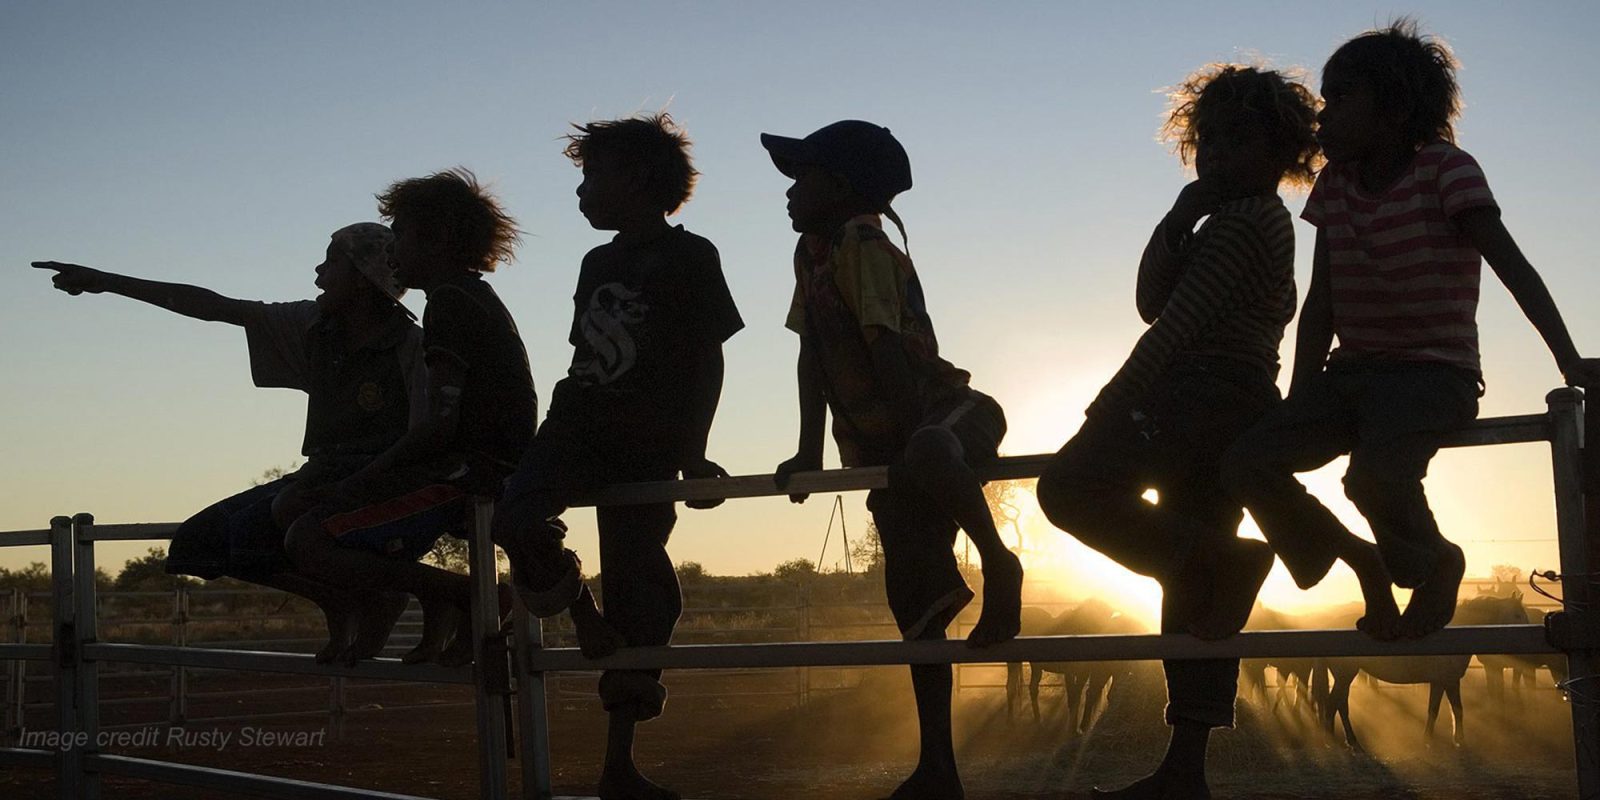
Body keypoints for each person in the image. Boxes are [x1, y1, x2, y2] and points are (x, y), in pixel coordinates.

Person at [1221, 20, 1600, 641]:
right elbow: (1323, 301)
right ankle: (1354, 555)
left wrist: (1568, 357)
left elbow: (1513, 267)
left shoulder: (1447, 171)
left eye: (1340, 98)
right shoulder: (1335, 186)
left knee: (1371, 479)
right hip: (1350, 375)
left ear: (1394, 109)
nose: (1323, 116)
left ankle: (1435, 563)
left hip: (1432, 373)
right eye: (1324, 99)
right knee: (1246, 461)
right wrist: (1301, 392)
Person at [1035, 65, 1319, 800]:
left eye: (1238, 139)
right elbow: (1150, 296)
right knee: (1188, 581)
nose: (1218, 153)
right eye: (1208, 140)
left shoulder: (1252, 221)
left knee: (1068, 488)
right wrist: (1178, 214)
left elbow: (1172, 325)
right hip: (1226, 404)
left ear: (1281, 152)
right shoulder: (1227, 221)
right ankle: (1184, 770)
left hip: (1200, 395)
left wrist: (1108, 401)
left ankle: (1226, 561)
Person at [764, 119, 1019, 800]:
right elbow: (812, 352)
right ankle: (938, 767)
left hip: (946, 413)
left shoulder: (862, 245)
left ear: (841, 187)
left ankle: (1000, 562)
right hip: (892, 449)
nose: (788, 192)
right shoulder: (813, 254)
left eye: (802, 177)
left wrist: (909, 444)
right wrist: (808, 452)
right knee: (917, 607)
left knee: (934, 450)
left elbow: (883, 349)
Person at [491, 113, 742, 800]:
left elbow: (706, 358)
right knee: (514, 519)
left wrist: (693, 452)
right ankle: (582, 614)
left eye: (592, 176)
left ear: (636, 180)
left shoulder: (693, 257)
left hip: (648, 440)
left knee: (641, 583)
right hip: (576, 423)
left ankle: (619, 765)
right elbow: (584, 354)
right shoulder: (596, 262)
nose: (581, 192)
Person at [33, 222, 423, 663]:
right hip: (323, 472)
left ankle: (387, 597)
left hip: (378, 479)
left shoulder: (410, 346)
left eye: (331, 261)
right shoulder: (312, 324)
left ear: (363, 275)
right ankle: (343, 601)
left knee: (291, 513)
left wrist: (361, 482)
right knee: (199, 542)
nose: (318, 273)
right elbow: (214, 306)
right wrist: (108, 282)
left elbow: (424, 435)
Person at [282, 169, 537, 666]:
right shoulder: (468, 297)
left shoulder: (449, 302)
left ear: (436, 239)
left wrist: (361, 479)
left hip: (472, 468)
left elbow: (441, 423)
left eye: (399, 233)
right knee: (310, 519)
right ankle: (452, 601)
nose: (392, 248)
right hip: (482, 461)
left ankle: (466, 595)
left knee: (308, 537)